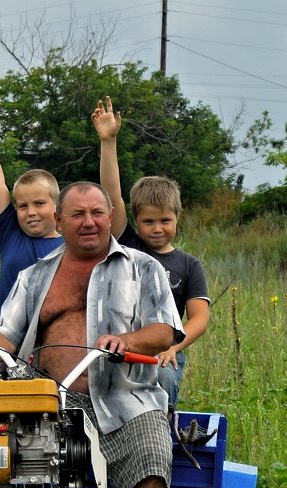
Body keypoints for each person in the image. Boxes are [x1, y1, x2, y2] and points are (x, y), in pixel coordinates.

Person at [0, 181, 183, 488]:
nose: (89, 222)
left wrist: (127, 341)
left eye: (97, 213)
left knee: (153, 470)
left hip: (127, 400)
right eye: (78, 214)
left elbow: (164, 331)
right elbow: (5, 335)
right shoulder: (34, 276)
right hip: (50, 402)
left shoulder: (144, 267)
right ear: (60, 222)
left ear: (111, 217)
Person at [92, 96, 211, 412]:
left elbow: (199, 318)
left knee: (164, 378)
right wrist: (108, 141)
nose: (157, 228)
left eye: (165, 221)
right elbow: (111, 194)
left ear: (177, 218)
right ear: (135, 219)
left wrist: (175, 348)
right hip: (119, 345)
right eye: (148, 221)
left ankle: (161, 437)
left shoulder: (188, 264)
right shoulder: (128, 243)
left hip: (161, 351)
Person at [0, 93, 64, 317]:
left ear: (57, 206)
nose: (31, 212)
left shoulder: (72, 245)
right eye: (22, 206)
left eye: (39, 203)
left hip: (51, 345)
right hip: (7, 344)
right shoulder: (10, 233)